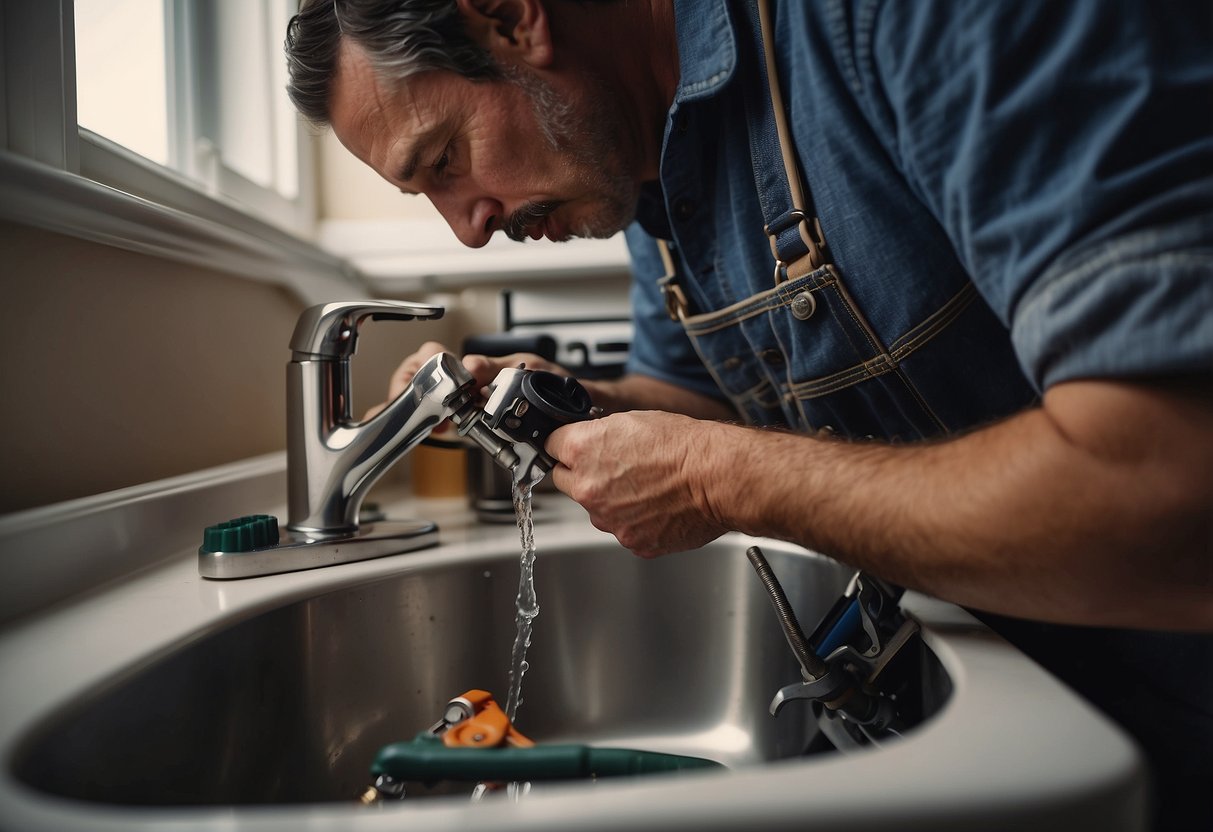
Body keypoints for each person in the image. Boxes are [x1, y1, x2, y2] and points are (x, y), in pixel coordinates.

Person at [286, 1, 1212, 827]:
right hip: (1018, 686)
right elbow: (699, 402)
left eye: (446, 160)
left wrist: (712, 476)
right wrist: (580, 406)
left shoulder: (909, 24)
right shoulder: (642, 167)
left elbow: (1172, 489)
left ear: (511, 18)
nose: (468, 230)